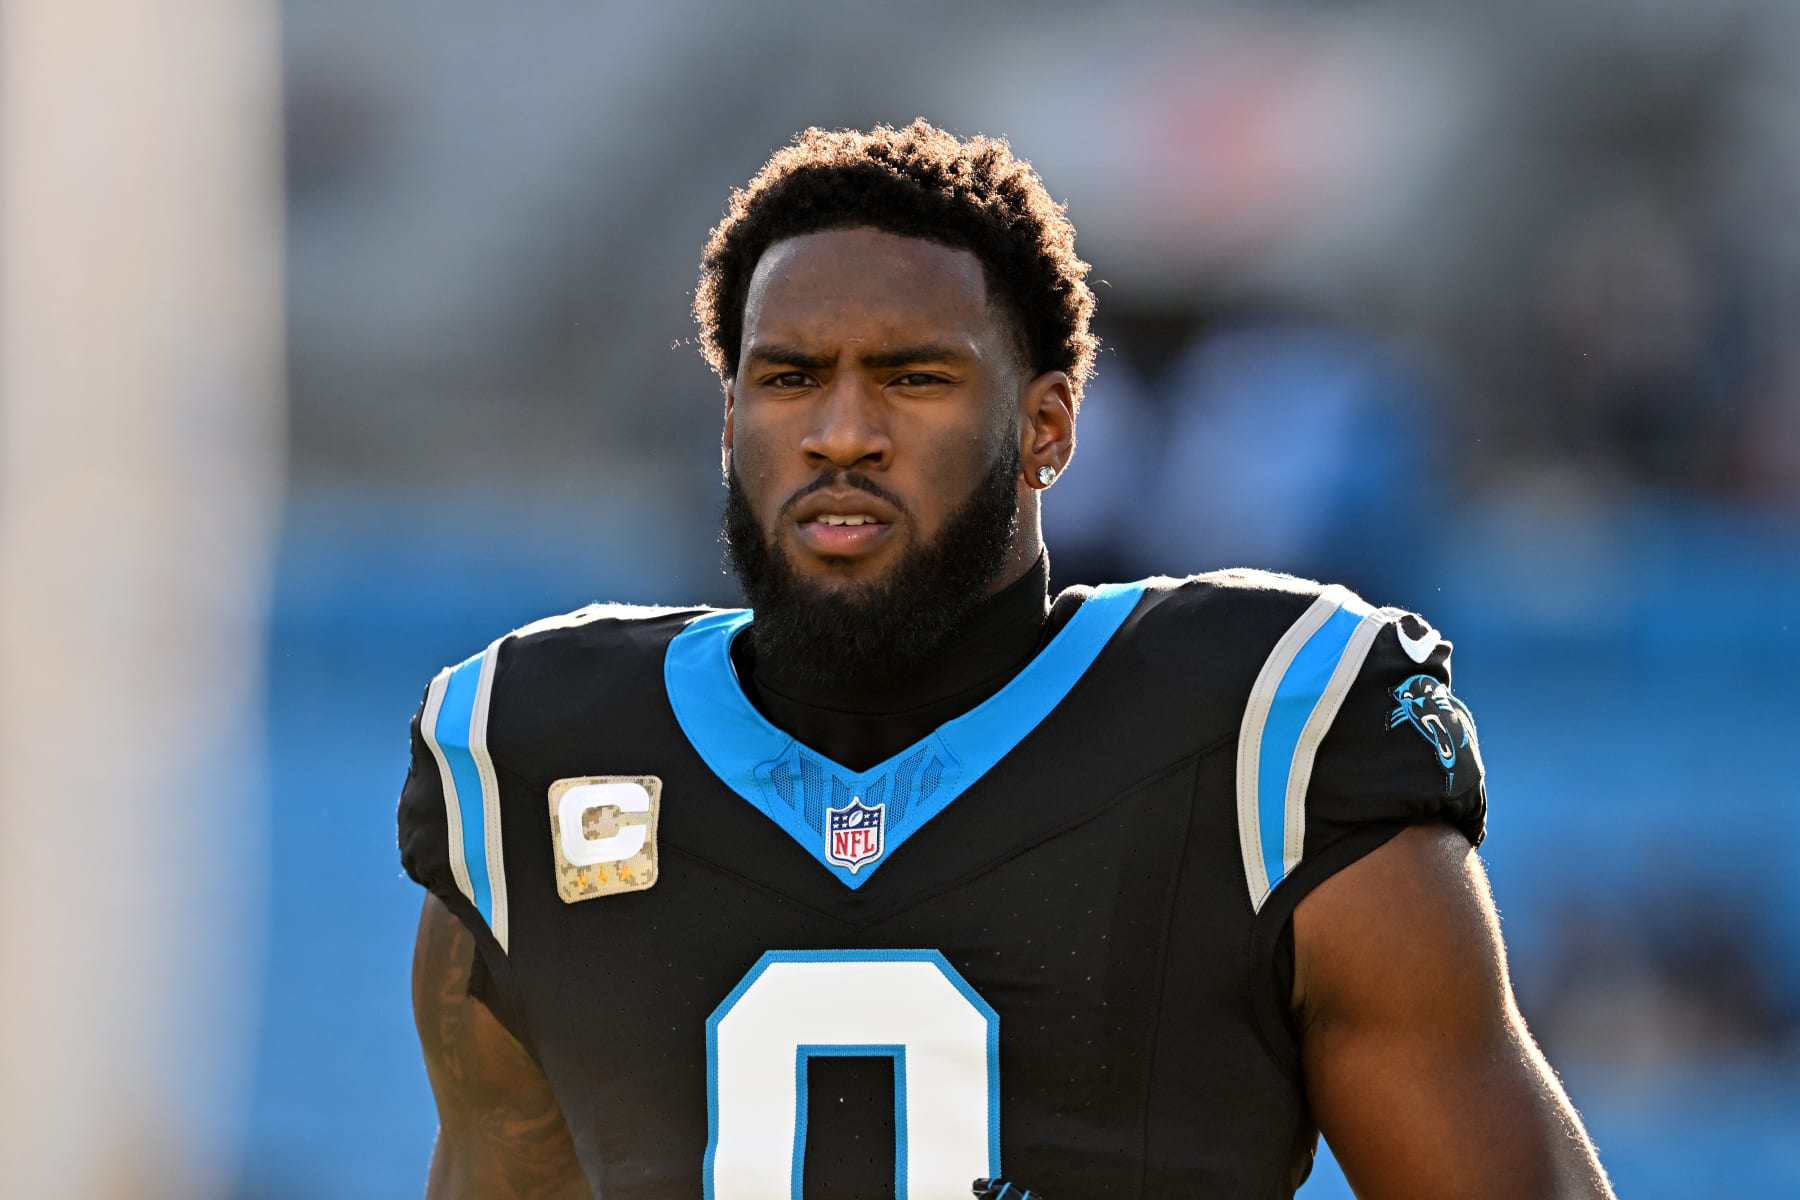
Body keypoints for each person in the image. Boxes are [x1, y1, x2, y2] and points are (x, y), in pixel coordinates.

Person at [398, 120, 1614, 1199]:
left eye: (913, 379)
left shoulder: (1265, 737)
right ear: (729, 422)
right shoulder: (537, 758)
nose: (842, 432)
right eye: (789, 379)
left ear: (1047, 428)